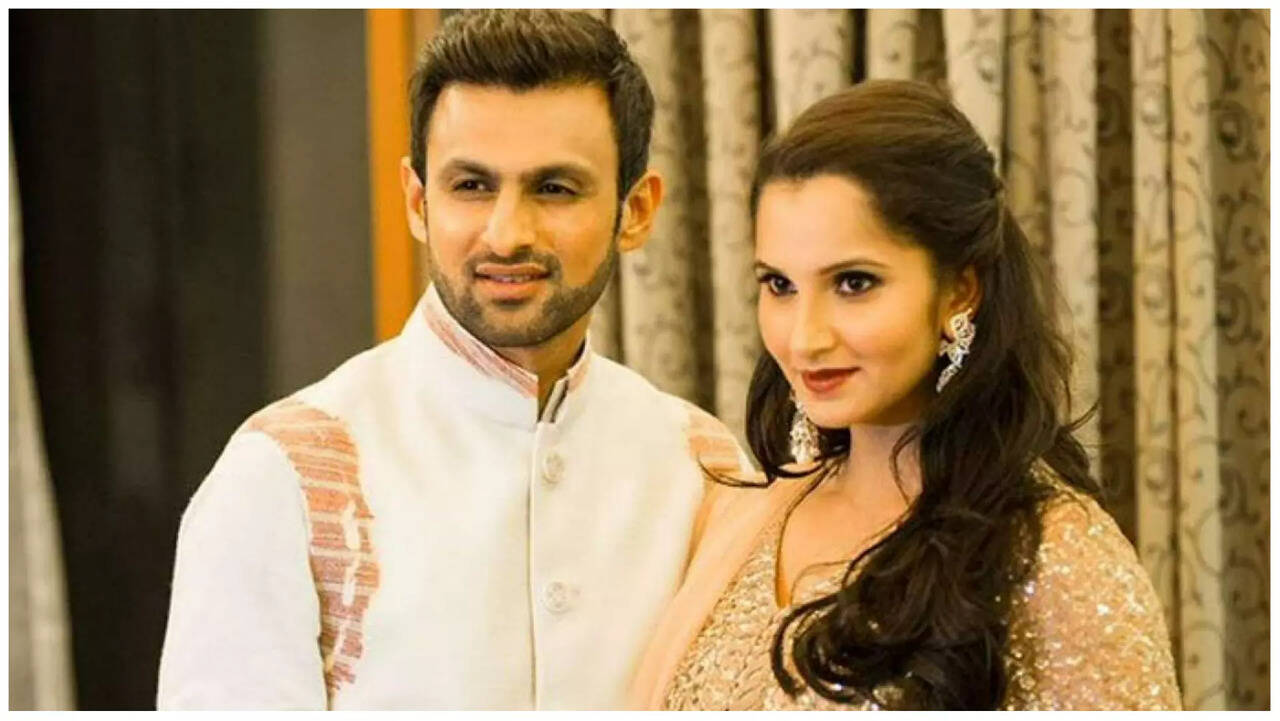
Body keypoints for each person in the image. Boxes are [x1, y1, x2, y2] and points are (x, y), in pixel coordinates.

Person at [157, 10, 752, 710]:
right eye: (472, 185)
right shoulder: (285, 473)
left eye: (554, 188)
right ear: (418, 201)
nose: (507, 233)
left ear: (638, 209)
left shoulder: (703, 468)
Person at [629, 80, 1182, 711]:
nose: (805, 338)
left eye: (853, 283)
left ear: (959, 292)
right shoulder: (744, 518)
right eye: (779, 285)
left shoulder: (1054, 559)